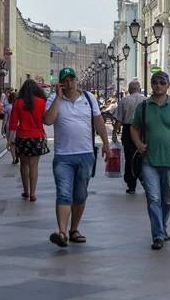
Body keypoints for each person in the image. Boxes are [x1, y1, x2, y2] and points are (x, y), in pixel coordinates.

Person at [43, 67, 110, 248]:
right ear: (61, 82)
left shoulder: (88, 98)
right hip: (63, 156)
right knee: (64, 194)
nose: (69, 83)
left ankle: (74, 229)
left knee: (80, 195)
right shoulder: (53, 99)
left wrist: (106, 143)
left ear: (77, 80)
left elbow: (99, 122)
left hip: (85, 154)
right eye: (65, 80)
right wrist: (57, 97)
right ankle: (62, 233)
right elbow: (48, 120)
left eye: (72, 79)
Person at [131, 71, 170, 250]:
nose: (158, 85)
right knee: (153, 198)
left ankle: (162, 227)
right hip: (149, 160)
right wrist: (138, 144)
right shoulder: (144, 107)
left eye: (162, 82)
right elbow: (134, 129)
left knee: (166, 199)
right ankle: (157, 235)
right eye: (155, 82)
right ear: (151, 85)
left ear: (167, 85)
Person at [9, 80, 49, 201]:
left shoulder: (17, 103)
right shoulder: (42, 102)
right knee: (34, 166)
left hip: (22, 137)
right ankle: (32, 194)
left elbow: (13, 123)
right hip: (37, 136)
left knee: (24, 164)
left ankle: (25, 191)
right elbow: (44, 120)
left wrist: (10, 139)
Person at [112, 80, 145, 194]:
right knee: (145, 156)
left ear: (129, 90)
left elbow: (119, 119)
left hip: (128, 129)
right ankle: (144, 179)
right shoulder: (146, 100)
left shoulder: (124, 100)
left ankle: (131, 184)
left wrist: (114, 133)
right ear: (139, 89)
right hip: (143, 131)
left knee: (130, 157)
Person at [1, 91, 17, 164]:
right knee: (18, 142)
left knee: (11, 143)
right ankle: (17, 155)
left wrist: (2, 128)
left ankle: (14, 158)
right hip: (18, 126)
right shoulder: (18, 106)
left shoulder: (8, 107)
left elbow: (5, 118)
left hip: (9, 126)